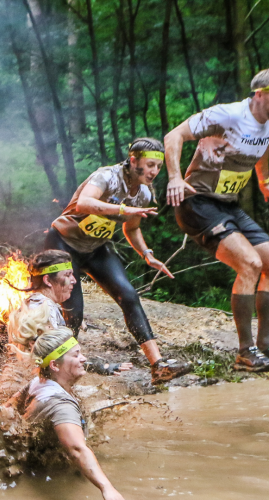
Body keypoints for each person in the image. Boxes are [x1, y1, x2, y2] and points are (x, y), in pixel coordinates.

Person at [44, 139, 191, 384]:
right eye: (150, 165)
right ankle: (60, 371)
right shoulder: (107, 177)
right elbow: (85, 203)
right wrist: (122, 210)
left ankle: (159, 366)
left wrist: (147, 254)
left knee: (129, 295)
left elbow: (131, 229)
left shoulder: (143, 192)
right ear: (133, 161)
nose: (154, 171)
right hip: (63, 244)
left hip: (95, 248)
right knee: (74, 311)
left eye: (158, 167)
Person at [165, 69, 269, 371]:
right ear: (260, 93)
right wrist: (173, 178)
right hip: (196, 202)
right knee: (250, 264)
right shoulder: (228, 115)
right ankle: (245, 352)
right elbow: (174, 135)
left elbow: (263, 156)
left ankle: (264, 347)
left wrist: (265, 184)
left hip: (227, 205)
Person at [5, 328, 125, 500]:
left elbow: (7, 408)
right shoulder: (61, 405)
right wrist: (107, 488)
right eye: (76, 355)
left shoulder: (39, 382)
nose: (83, 358)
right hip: (45, 474)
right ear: (54, 365)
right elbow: (77, 450)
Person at [0, 251, 131, 400]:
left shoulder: (38, 304)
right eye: (67, 275)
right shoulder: (42, 309)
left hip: (26, 389)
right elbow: (48, 360)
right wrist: (100, 367)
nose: (74, 280)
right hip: (27, 391)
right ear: (48, 280)